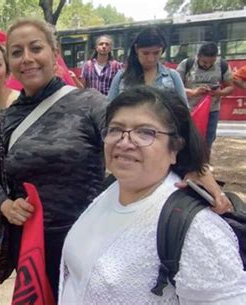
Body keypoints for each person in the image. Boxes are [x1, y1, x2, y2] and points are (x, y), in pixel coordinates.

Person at [0, 18, 234, 301]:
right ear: (10, 63)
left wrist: (195, 167)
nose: (27, 58)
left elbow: (146, 128)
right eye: (16, 52)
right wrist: (4, 204)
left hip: (89, 236)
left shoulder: (89, 104)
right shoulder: (4, 120)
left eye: (35, 48)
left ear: (54, 54)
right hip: (28, 244)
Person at [59, 86, 246, 304]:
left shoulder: (196, 228)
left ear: (175, 147)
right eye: (116, 129)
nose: (125, 142)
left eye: (145, 132)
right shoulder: (110, 189)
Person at [177, 42, 234, 149]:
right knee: (187, 138)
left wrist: (218, 93)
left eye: (211, 62)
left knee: (208, 140)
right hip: (189, 110)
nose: (207, 65)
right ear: (198, 56)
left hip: (212, 110)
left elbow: (230, 87)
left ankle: (204, 162)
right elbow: (175, 87)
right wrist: (193, 92)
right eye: (204, 62)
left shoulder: (222, 65)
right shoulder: (186, 64)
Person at [108, 27, 187, 104]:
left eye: (156, 53)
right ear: (136, 49)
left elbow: (184, 111)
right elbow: (109, 109)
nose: (151, 59)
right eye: (145, 53)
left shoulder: (173, 76)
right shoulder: (121, 76)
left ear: (162, 50)